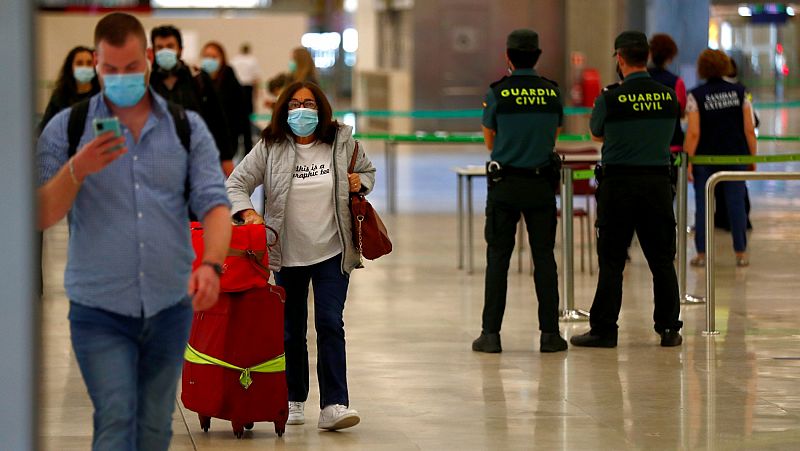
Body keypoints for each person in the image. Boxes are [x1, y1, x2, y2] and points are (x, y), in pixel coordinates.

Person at [36, 12, 232, 450]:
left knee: (153, 427)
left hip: (169, 305)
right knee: (116, 417)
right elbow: (39, 213)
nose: (120, 77)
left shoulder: (186, 127)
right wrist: (77, 169)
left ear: (146, 61)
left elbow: (216, 204)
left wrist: (213, 266)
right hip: (99, 308)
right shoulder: (66, 128)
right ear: (95, 63)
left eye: (130, 68)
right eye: (109, 69)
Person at [226, 81, 375, 431]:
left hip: (332, 251)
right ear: (284, 110)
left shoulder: (341, 143)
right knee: (291, 330)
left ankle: (334, 404)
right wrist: (248, 213)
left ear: (320, 109)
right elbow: (236, 183)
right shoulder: (271, 146)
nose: (301, 110)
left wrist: (359, 182)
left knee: (329, 323)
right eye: (293, 104)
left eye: (308, 103)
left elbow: (367, 172)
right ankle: (293, 399)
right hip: (286, 254)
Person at [570, 31, 683, 348]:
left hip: (619, 185)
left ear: (620, 59)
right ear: (645, 57)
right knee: (661, 258)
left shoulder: (610, 97)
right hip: (658, 184)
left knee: (612, 259)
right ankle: (669, 328)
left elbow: (597, 133)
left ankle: (605, 329)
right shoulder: (667, 96)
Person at [470, 29, 567, 354]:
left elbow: (489, 142)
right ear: (537, 56)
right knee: (544, 258)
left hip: (505, 185)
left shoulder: (497, 92)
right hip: (541, 185)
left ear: (508, 57)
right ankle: (550, 335)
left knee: (498, 258)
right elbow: (553, 135)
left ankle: (491, 335)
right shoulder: (551, 93)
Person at [685, 49, 757, 268]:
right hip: (735, 156)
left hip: (705, 160)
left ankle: (701, 254)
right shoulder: (740, 92)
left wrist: (689, 161)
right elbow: (749, 128)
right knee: (736, 203)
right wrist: (752, 157)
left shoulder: (695, 95)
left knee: (703, 205)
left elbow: (694, 132)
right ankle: (741, 252)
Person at [149, 25, 233, 172]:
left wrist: (226, 159)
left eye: (170, 46)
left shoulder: (198, 79)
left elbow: (218, 120)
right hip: (158, 160)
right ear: (153, 51)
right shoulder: (146, 83)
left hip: (196, 159)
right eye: (160, 47)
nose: (165, 51)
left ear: (180, 49)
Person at [200, 41, 248, 176]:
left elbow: (242, 115)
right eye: (206, 56)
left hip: (227, 141)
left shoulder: (230, 81)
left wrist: (246, 145)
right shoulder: (197, 82)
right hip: (203, 141)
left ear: (221, 59)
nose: (209, 60)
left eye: (213, 57)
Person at [39, 45, 101, 132]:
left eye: (89, 63)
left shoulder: (101, 95)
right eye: (79, 63)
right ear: (71, 67)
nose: (85, 67)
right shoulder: (60, 96)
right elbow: (44, 127)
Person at [647, 34, 687, 153]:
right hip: (671, 143)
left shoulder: (640, 80)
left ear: (651, 53)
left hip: (645, 143)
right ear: (670, 57)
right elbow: (681, 111)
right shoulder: (676, 82)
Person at [230, 42, 261, 152]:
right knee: (247, 121)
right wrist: (256, 95)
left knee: (236, 119)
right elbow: (255, 79)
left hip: (236, 90)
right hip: (247, 89)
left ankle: (235, 147)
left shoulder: (234, 60)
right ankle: (247, 148)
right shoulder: (253, 60)